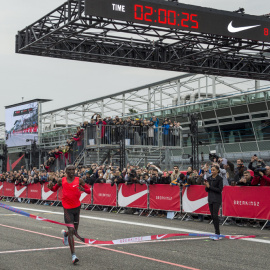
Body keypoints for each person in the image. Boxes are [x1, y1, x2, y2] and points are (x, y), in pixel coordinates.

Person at [47, 165, 90, 264]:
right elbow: (54, 189)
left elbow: (88, 191)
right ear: (66, 171)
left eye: (73, 170)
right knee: (71, 230)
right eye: (69, 170)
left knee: (74, 232)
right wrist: (50, 188)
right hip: (67, 208)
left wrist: (84, 190)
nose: (71, 171)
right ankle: (73, 255)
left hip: (77, 207)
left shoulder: (80, 180)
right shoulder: (61, 180)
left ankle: (65, 235)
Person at [204, 165, 223, 240]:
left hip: (217, 199)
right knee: (212, 216)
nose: (212, 171)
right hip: (210, 199)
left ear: (217, 171)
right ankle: (216, 233)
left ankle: (217, 233)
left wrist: (209, 187)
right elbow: (207, 190)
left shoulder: (219, 179)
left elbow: (219, 190)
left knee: (215, 215)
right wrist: (206, 186)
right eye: (211, 170)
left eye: (214, 170)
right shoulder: (209, 178)